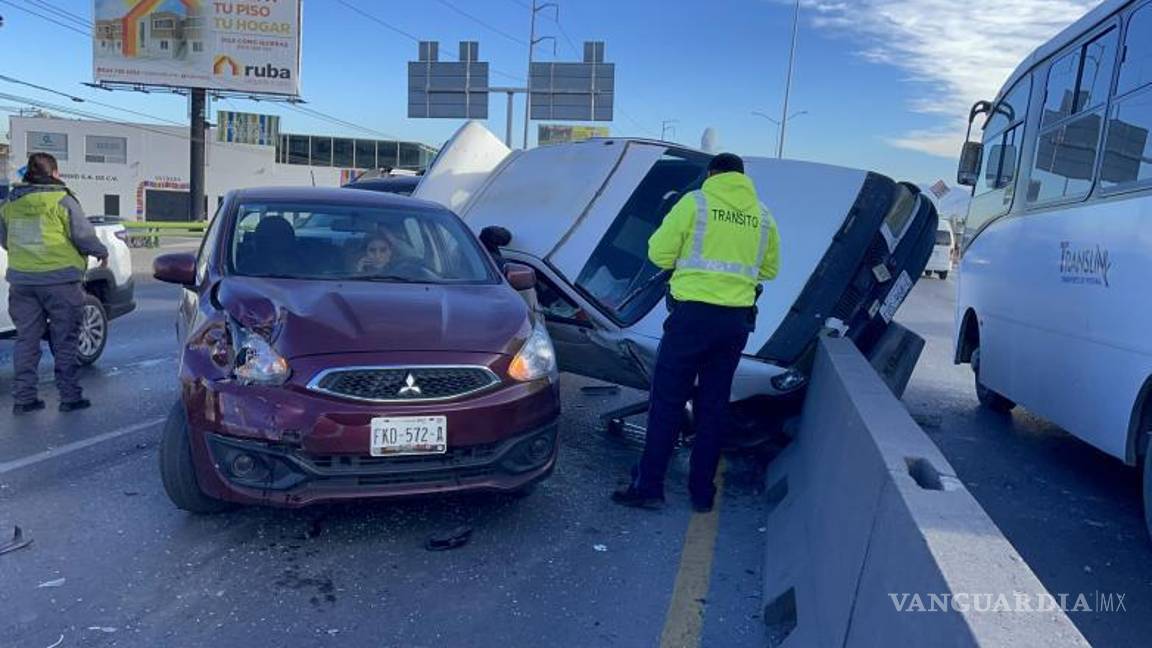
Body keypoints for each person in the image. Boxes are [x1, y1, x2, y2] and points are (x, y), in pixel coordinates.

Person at [612, 153, 780, 513]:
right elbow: (770, 269)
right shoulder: (762, 214)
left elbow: (659, 253)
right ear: (742, 177)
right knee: (714, 406)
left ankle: (649, 487)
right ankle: (702, 493)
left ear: (711, 173)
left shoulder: (696, 203)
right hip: (735, 323)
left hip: (691, 319)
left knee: (668, 403)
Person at [0, 153, 108, 415]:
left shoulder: (9, 205)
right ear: (55, 173)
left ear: (27, 175)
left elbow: (5, 241)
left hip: (23, 282)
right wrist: (100, 252)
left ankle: (24, 399)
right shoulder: (63, 201)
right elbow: (83, 236)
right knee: (65, 339)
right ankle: (69, 397)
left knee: (26, 340)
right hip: (60, 282)